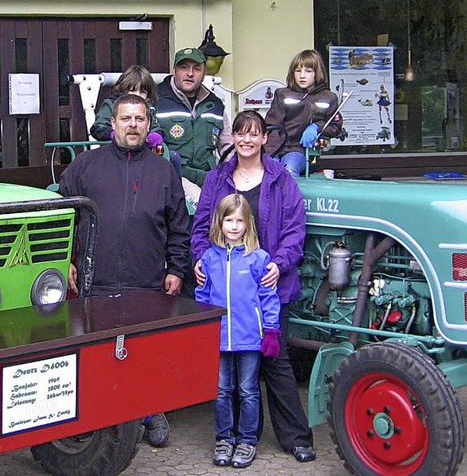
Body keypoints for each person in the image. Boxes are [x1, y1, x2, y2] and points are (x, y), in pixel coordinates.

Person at [60, 93, 190, 449]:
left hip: (146, 278)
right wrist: (65, 260)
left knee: (144, 354)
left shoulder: (164, 171)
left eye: (139, 119)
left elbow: (179, 226)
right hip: (94, 278)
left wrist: (177, 268)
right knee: (97, 355)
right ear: (113, 124)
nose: (133, 125)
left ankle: (151, 415)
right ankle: (99, 423)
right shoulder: (86, 165)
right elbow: (61, 217)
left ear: (149, 125)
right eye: (126, 119)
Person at [191, 110, 316, 463]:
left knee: (275, 363)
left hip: (269, 285)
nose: (246, 140)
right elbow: (202, 227)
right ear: (233, 138)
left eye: (254, 134)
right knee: (230, 368)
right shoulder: (217, 180)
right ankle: (240, 437)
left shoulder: (281, 179)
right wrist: (201, 259)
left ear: (264, 139)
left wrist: (279, 264)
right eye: (240, 133)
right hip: (227, 289)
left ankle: (296, 437)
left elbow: (295, 229)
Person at [195, 193, 281, 469]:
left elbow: (268, 296)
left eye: (239, 221)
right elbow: (203, 296)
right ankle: (224, 438)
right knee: (221, 390)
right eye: (229, 220)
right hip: (218, 338)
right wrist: (201, 331)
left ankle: (246, 441)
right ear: (219, 223)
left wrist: (271, 330)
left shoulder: (258, 258)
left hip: (249, 339)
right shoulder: (209, 258)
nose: (233, 226)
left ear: (248, 224)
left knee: (248, 391)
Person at [154, 47, 232, 206]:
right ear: (174, 70)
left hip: (210, 176)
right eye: (184, 68)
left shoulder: (215, 104)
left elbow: (227, 146)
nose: (190, 73)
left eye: (197, 69)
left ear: (204, 74)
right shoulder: (156, 99)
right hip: (173, 176)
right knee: (203, 203)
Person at [264, 49, 343, 178]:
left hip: (299, 149)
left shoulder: (328, 97)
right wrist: (272, 155)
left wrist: (317, 127)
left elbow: (335, 126)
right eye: (298, 71)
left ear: (317, 73)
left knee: (290, 170)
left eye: (308, 71)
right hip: (276, 148)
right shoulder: (283, 94)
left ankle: (291, 198)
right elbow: (272, 125)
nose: (302, 75)